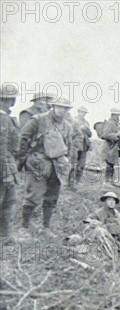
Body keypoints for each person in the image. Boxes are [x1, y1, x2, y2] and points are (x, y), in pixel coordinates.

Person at [17, 97, 75, 235]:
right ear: (53, 106)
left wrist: (68, 162)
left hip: (57, 165)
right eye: (59, 107)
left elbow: (69, 146)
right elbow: (23, 139)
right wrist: (22, 159)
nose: (61, 110)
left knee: (52, 196)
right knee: (34, 194)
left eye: (65, 108)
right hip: (38, 162)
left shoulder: (67, 126)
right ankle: (24, 227)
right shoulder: (38, 120)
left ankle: (46, 227)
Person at [86, 192, 120, 269]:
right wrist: (95, 222)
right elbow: (89, 219)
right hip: (104, 238)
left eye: (113, 200)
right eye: (109, 199)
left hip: (117, 238)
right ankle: (114, 263)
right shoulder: (99, 212)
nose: (112, 202)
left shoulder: (117, 214)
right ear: (105, 201)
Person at [0, 83, 20, 241]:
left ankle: (5, 235)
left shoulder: (6, 118)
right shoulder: (2, 119)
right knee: (6, 200)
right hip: (4, 168)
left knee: (9, 201)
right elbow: (2, 149)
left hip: (8, 166)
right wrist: (6, 174)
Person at [100, 108, 120, 184]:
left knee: (112, 164)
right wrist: (116, 135)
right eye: (117, 115)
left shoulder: (118, 124)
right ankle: (107, 181)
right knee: (109, 163)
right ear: (113, 115)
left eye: (118, 115)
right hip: (109, 146)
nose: (118, 116)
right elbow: (105, 135)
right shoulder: (110, 123)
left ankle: (110, 180)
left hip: (115, 146)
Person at [71, 106, 93, 186]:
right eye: (82, 112)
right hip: (75, 145)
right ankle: (70, 181)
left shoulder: (86, 122)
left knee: (81, 165)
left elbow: (90, 134)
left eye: (85, 113)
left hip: (84, 145)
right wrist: (81, 128)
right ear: (78, 111)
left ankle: (77, 181)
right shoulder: (72, 120)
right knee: (72, 163)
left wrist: (87, 130)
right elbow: (70, 132)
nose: (83, 114)